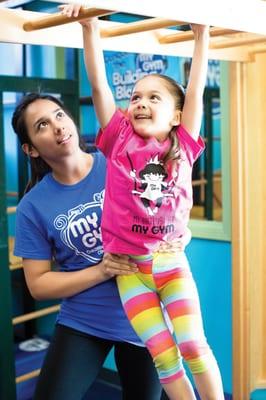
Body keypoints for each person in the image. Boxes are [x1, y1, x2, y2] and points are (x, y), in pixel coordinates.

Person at [60, 4, 225, 400]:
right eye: (135, 96)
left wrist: (201, 34)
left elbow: (197, 90)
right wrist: (89, 27)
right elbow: (100, 86)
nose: (140, 103)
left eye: (154, 97)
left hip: (170, 263)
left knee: (193, 347)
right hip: (130, 271)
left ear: (176, 116)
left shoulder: (181, 143)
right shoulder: (118, 138)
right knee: (165, 359)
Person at [12, 92, 165, 400]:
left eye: (58, 115)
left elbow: (163, 209)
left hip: (144, 314)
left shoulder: (118, 162)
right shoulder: (32, 206)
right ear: (30, 149)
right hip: (84, 320)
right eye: (42, 124)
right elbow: (39, 285)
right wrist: (102, 271)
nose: (57, 127)